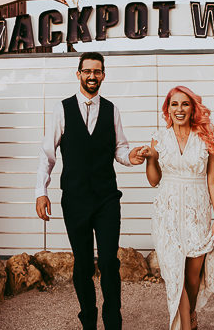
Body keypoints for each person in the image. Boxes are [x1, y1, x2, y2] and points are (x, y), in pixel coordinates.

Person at [35, 52, 145, 330]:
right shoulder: (62, 109)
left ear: (103, 75)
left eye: (97, 71)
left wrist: (129, 157)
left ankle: (112, 322)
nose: (92, 76)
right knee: (83, 263)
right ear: (79, 74)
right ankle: (88, 321)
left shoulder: (112, 110)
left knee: (109, 262)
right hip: (75, 199)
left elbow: (119, 148)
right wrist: (41, 190)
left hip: (107, 199)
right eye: (87, 71)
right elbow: (48, 153)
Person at [139, 85, 214, 330]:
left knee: (193, 277)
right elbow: (154, 180)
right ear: (168, 108)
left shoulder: (207, 136)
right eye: (174, 104)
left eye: (184, 104)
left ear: (193, 107)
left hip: (198, 213)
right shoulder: (159, 138)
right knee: (175, 273)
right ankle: (186, 327)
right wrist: (150, 159)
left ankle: (192, 313)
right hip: (167, 213)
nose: (179, 109)